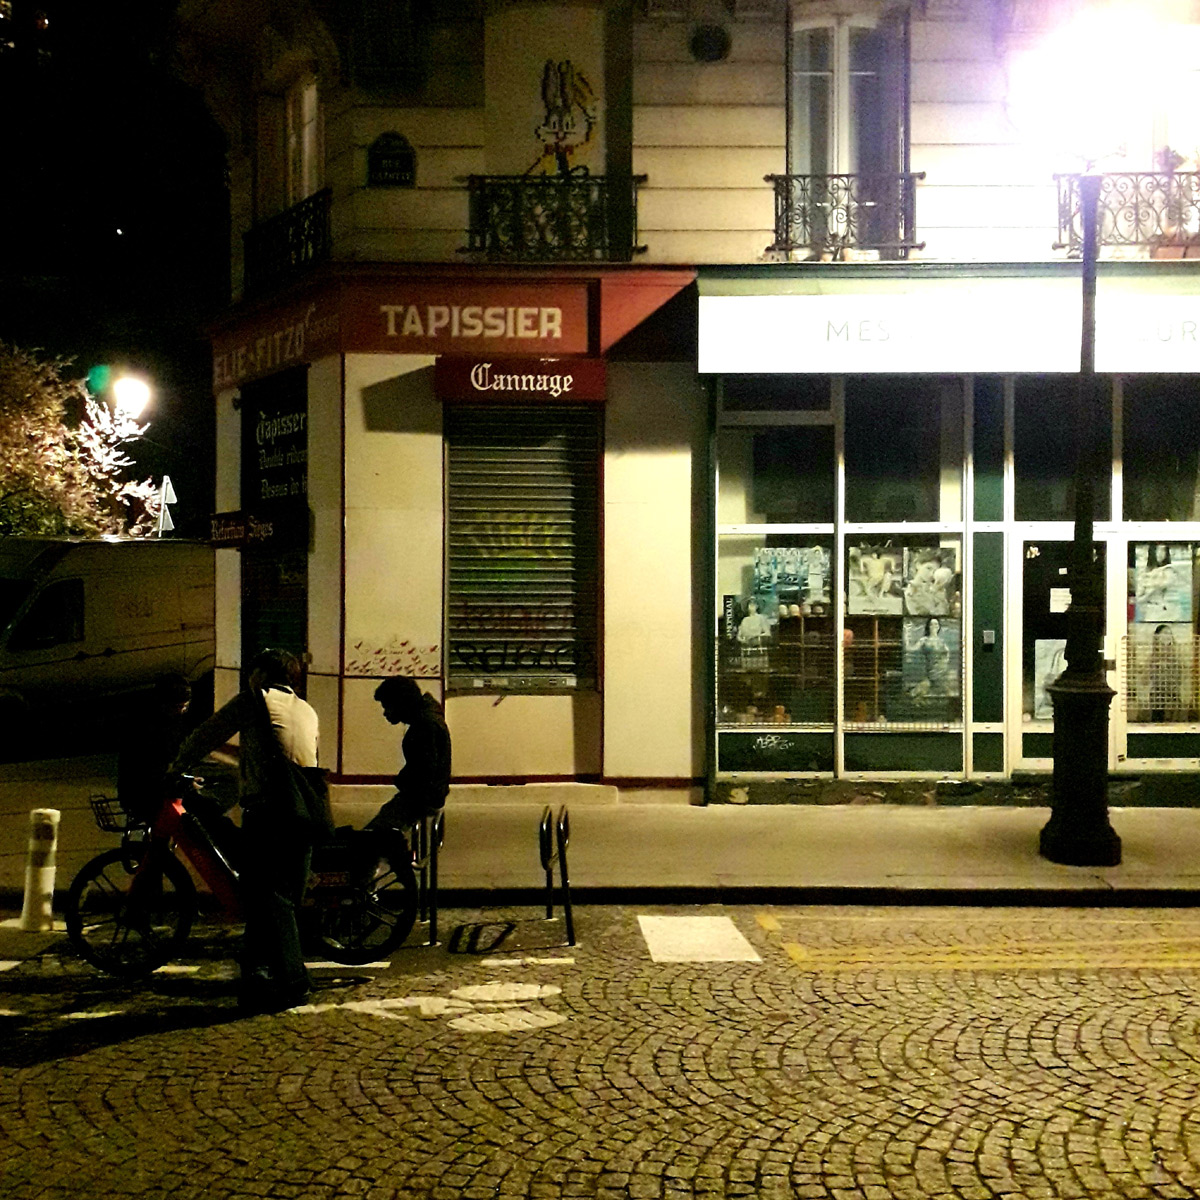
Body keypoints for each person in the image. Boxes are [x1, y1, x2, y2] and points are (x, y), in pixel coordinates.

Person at [172, 648, 320, 1014]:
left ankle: (295, 982)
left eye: (252, 672)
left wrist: (176, 765)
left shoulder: (255, 700)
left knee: (271, 897)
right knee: (267, 898)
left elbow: (208, 734)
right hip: (306, 813)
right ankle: (255, 979)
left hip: (270, 813)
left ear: (261, 675)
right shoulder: (306, 709)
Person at [366, 676, 451, 851]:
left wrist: (402, 781)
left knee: (372, 836)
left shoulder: (425, 726)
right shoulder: (428, 719)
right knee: (380, 830)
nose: (385, 713)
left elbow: (424, 771)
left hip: (421, 798)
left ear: (401, 703)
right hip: (427, 795)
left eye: (387, 706)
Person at [117, 673, 193, 824]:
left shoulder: (150, 720)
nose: (181, 711)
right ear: (164, 704)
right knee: (198, 811)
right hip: (145, 794)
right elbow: (155, 766)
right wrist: (184, 780)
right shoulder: (151, 729)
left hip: (141, 793)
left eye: (184, 707)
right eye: (178, 707)